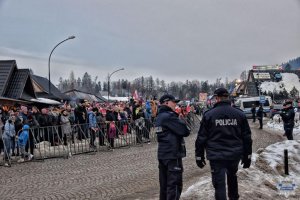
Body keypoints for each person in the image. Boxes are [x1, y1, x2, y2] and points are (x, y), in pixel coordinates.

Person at [195, 88, 252, 200]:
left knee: (219, 184)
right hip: (234, 155)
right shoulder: (239, 114)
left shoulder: (209, 115)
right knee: (232, 178)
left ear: (217, 98)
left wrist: (199, 155)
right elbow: (247, 137)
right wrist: (248, 155)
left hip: (216, 156)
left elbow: (201, 138)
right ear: (228, 98)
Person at [155, 94, 190, 200]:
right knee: (174, 185)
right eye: (173, 102)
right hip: (173, 154)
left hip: (163, 154)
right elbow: (185, 131)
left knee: (164, 186)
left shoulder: (160, 116)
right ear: (166, 103)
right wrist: (180, 119)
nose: (176, 104)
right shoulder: (169, 116)